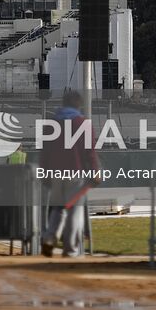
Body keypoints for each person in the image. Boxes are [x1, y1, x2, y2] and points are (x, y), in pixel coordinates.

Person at [39, 91, 100, 257]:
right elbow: (90, 152)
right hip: (75, 173)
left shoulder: (51, 123)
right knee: (74, 211)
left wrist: (44, 172)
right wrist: (95, 171)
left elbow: (45, 152)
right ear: (78, 105)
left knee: (57, 209)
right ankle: (70, 249)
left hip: (55, 173)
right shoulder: (83, 123)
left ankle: (49, 239)